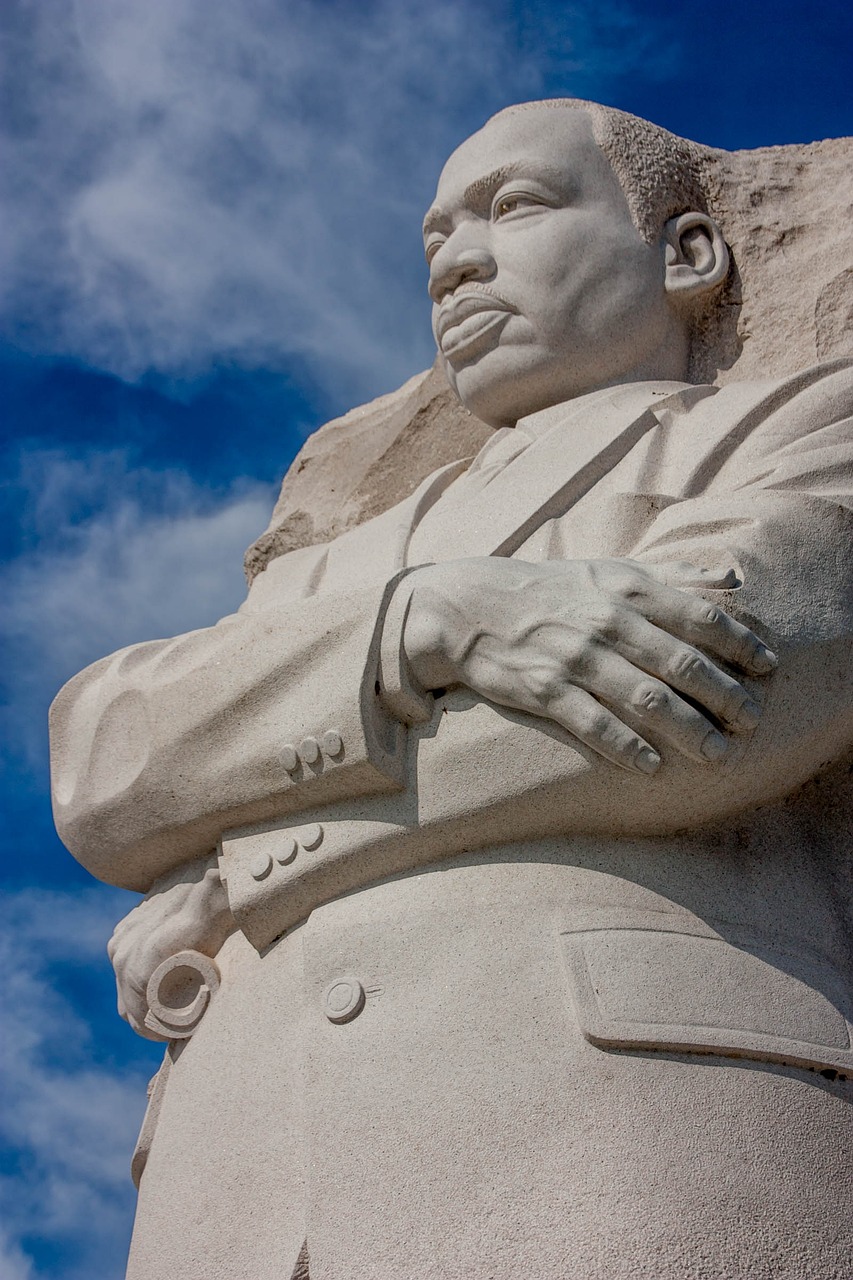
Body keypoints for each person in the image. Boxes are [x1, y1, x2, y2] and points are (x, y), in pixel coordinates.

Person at [50, 101, 853, 1280]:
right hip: (233, 1191)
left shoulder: (789, 425)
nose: (456, 262)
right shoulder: (327, 565)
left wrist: (233, 868)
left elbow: (712, 699)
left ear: (687, 255)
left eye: (514, 207)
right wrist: (426, 619)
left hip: (619, 1131)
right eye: (435, 242)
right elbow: (105, 753)